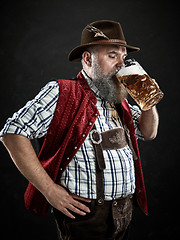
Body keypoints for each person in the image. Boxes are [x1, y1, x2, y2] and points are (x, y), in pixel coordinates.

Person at [0, 20, 159, 240]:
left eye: (123, 57)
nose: (121, 64)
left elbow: (148, 132)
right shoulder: (62, 93)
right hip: (86, 217)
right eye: (112, 56)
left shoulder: (118, 99)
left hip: (124, 212)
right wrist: (49, 190)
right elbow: (12, 133)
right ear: (87, 58)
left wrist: (147, 103)